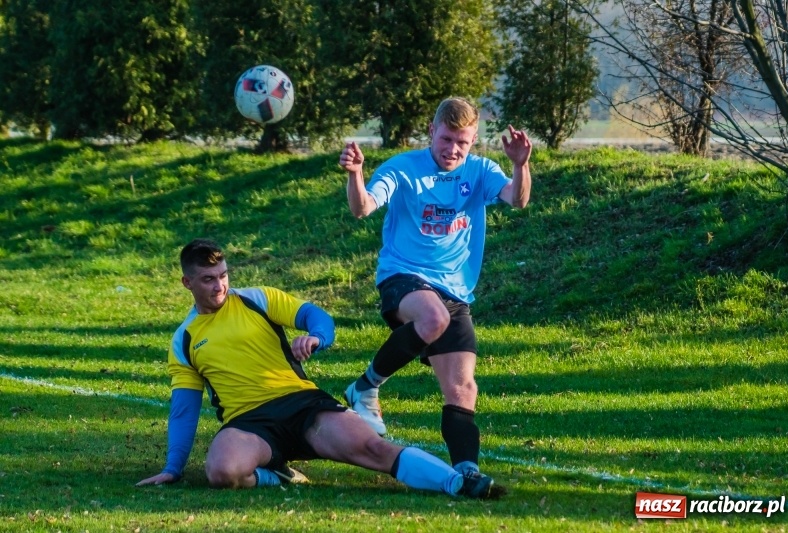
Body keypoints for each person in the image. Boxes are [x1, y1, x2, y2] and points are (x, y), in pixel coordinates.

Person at [136, 238, 498, 499]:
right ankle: (277, 475)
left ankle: (457, 483)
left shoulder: (256, 299)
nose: (220, 286)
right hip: (248, 422)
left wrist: (316, 337)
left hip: (303, 405)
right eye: (208, 279)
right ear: (187, 283)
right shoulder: (184, 339)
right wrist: (173, 467)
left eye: (223, 275)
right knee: (222, 471)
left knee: (372, 449)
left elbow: (316, 316)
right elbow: (184, 409)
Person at [338, 97, 531, 488]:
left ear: (474, 139)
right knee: (432, 317)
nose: (453, 149)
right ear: (431, 130)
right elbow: (363, 208)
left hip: (455, 290)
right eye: (446, 139)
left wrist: (520, 164)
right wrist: (356, 174)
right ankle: (365, 386)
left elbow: (517, 200)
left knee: (463, 388)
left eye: (462, 142)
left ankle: (466, 472)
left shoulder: (480, 171)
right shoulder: (403, 168)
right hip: (402, 277)